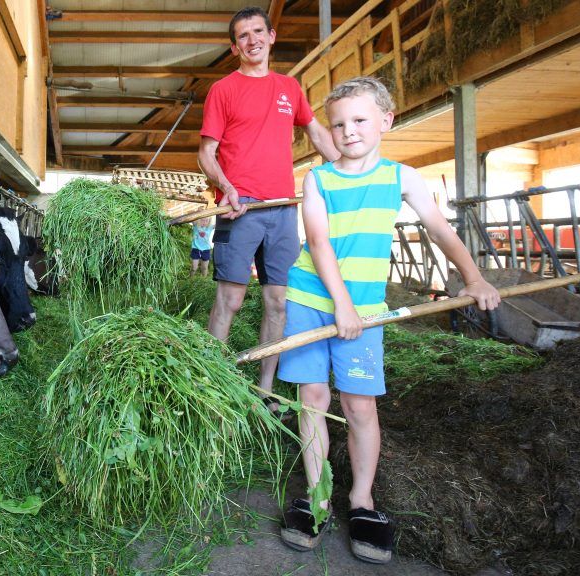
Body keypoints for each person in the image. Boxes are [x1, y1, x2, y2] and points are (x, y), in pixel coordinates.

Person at [276, 76, 501, 564]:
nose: (348, 131)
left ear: (386, 120)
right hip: (312, 297)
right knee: (312, 398)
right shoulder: (318, 179)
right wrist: (341, 305)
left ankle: (362, 500)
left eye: (359, 120)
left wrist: (474, 278)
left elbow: (439, 229)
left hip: (365, 308)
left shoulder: (402, 178)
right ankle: (316, 497)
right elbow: (318, 242)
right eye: (337, 124)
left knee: (359, 405)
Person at [199, 6, 340, 414]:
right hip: (240, 209)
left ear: (272, 36)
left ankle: (265, 391)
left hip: (282, 210)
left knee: (278, 302)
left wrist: (345, 171)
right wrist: (226, 187)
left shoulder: (289, 88)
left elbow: (315, 131)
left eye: (258, 32)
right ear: (234, 46)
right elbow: (207, 153)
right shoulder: (223, 90)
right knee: (231, 300)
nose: (252, 40)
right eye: (243, 36)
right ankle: (211, 383)